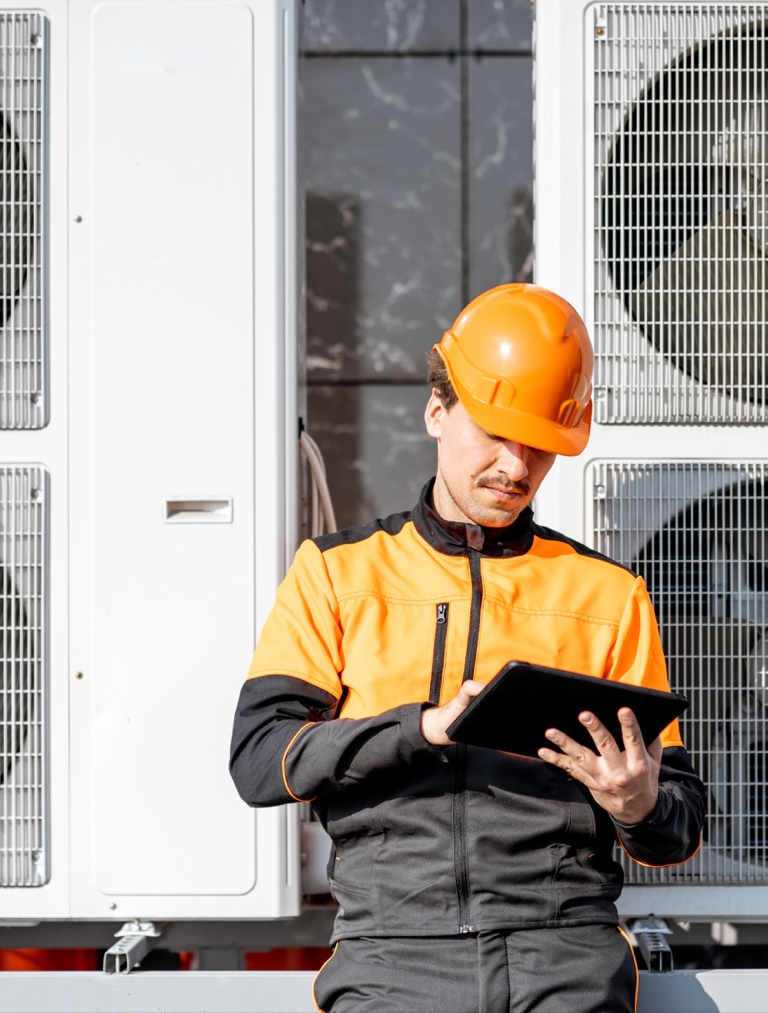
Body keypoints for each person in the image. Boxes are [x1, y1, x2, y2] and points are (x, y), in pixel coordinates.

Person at [229, 283, 707, 1012]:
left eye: (540, 445)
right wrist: (421, 728)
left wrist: (639, 804)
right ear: (435, 411)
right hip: (393, 956)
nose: (516, 468)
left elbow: (676, 829)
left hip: (566, 959)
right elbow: (261, 761)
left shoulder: (609, 596)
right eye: (495, 433)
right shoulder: (335, 573)